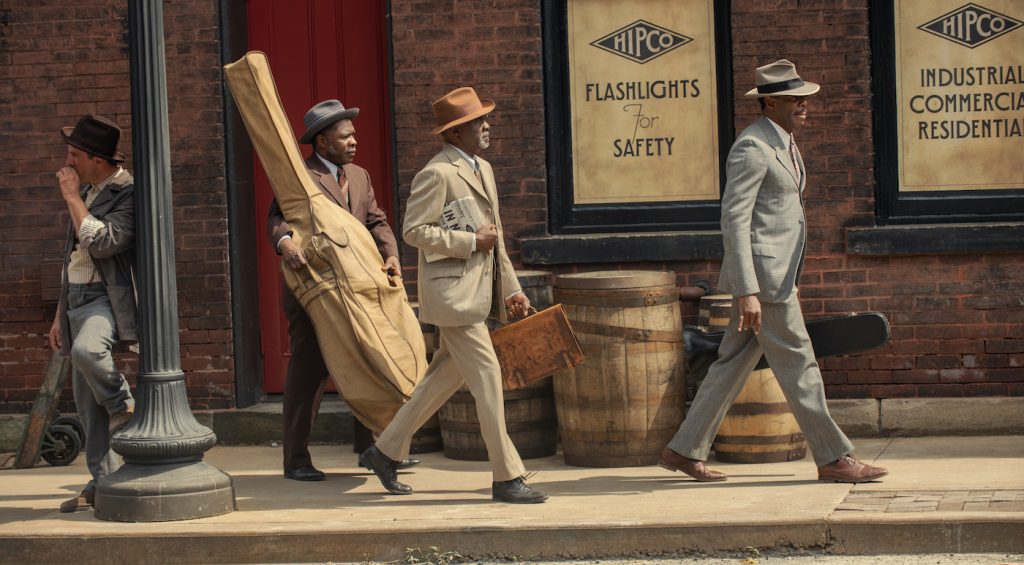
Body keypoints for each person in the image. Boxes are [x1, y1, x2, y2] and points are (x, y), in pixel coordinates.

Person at [659, 60, 888, 484]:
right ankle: (834, 457)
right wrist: (747, 290)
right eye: (793, 98)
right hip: (762, 283)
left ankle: (682, 449)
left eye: (804, 98)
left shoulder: (783, 142)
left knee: (731, 362)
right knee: (800, 364)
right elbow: (735, 220)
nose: (804, 105)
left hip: (776, 278)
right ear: (768, 102)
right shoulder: (752, 146)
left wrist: (789, 279)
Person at [360, 87, 548, 503]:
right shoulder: (437, 173)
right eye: (479, 121)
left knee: (441, 380)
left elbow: (494, 240)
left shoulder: (484, 168)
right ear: (457, 131)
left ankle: (385, 451)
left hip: (477, 295)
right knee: (488, 379)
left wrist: (512, 289)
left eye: (485, 119)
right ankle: (507, 477)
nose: (487, 126)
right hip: (454, 299)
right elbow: (414, 232)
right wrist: (468, 241)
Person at [268, 99, 417, 481]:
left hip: (359, 288)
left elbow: (377, 220)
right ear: (321, 142)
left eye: (353, 134)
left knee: (367, 361)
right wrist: (285, 243)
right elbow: (278, 218)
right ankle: (296, 459)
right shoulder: (299, 175)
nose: (353, 141)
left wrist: (391, 255)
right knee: (309, 373)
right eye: (344, 136)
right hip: (315, 292)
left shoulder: (361, 175)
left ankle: (375, 449)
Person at [48, 115, 137, 512]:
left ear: (97, 160)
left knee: (88, 352)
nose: (66, 165)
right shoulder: (89, 189)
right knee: (86, 404)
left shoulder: (126, 192)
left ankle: (122, 403)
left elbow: (103, 243)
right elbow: (73, 259)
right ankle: (102, 485)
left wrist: (71, 198)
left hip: (106, 298)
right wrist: (58, 315)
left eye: (73, 156)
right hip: (76, 301)